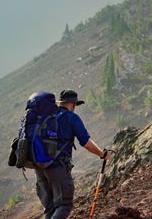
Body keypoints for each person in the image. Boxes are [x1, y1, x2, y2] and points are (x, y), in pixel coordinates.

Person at [35, 90, 111, 219]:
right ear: (73, 103)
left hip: (39, 165)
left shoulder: (47, 116)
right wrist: (101, 154)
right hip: (57, 166)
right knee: (64, 205)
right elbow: (86, 142)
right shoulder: (71, 117)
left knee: (50, 208)